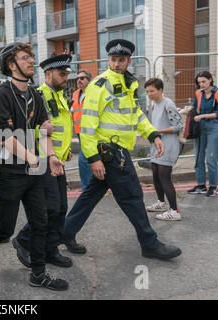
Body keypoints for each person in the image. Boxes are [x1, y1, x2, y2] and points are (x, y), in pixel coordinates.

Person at [60, 39, 182, 261]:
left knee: (89, 196)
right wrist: (94, 159)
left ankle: (65, 233)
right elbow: (87, 126)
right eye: (113, 60)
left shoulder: (128, 84)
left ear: (128, 61)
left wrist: (153, 134)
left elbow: (135, 115)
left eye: (121, 60)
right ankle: (149, 243)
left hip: (115, 151)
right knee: (133, 197)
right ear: (108, 60)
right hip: (110, 153)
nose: (116, 64)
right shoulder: (99, 84)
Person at [0, 42, 69, 291]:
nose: (31, 61)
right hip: (9, 172)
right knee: (4, 230)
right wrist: (32, 158)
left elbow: (44, 130)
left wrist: (52, 156)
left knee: (40, 221)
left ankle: (38, 273)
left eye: (31, 58)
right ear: (12, 65)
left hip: (33, 170)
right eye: (25, 58)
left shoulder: (36, 95)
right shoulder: (2, 95)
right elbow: (5, 136)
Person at [10, 54, 74, 269]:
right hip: (43, 160)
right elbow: (28, 128)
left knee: (60, 208)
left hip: (57, 159)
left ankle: (50, 249)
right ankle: (24, 240)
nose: (66, 78)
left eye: (66, 74)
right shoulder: (38, 96)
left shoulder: (59, 95)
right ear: (48, 74)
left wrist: (64, 151)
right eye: (62, 74)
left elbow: (59, 127)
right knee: (49, 208)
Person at [144, 78, 183, 221]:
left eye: (152, 91)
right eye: (147, 91)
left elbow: (179, 126)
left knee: (164, 178)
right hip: (157, 146)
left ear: (160, 90)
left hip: (168, 146)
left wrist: (158, 131)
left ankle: (174, 211)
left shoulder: (168, 104)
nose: (149, 94)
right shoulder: (154, 105)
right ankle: (161, 203)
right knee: (155, 176)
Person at [187, 71, 218, 197]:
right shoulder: (198, 93)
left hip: (213, 127)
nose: (201, 84)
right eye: (199, 82)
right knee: (198, 158)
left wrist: (203, 116)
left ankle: (213, 186)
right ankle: (201, 185)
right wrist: (186, 109)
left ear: (210, 80)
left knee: (211, 159)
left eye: (203, 81)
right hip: (200, 127)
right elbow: (195, 108)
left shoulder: (217, 93)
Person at [72, 69, 93, 191]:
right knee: (89, 159)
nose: (79, 80)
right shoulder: (75, 94)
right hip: (79, 131)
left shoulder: (93, 93)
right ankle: (91, 186)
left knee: (83, 160)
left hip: (90, 131)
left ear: (89, 80)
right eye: (77, 78)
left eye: (82, 78)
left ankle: (87, 187)